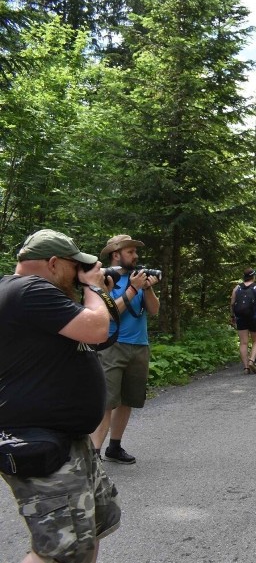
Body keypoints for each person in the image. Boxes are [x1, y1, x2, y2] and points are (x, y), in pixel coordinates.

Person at [1, 229, 121, 562]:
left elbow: (92, 336)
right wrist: (94, 289)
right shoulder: (29, 289)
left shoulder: (25, 293)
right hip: (40, 442)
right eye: (75, 267)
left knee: (90, 531)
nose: (80, 274)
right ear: (53, 263)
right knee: (58, 549)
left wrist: (92, 293)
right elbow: (97, 328)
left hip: (65, 439)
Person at [91, 234, 160, 465]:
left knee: (127, 399)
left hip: (140, 345)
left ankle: (115, 447)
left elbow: (153, 310)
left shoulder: (137, 278)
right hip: (112, 345)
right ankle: (94, 453)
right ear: (116, 254)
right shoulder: (103, 278)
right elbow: (108, 312)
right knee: (107, 401)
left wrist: (147, 289)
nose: (136, 256)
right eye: (131, 252)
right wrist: (132, 289)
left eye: (135, 252)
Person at [230, 268, 256, 374]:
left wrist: (232, 316)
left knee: (243, 343)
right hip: (255, 317)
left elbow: (232, 303)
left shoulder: (237, 288)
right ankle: (252, 360)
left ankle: (245, 367)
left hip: (240, 318)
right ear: (253, 277)